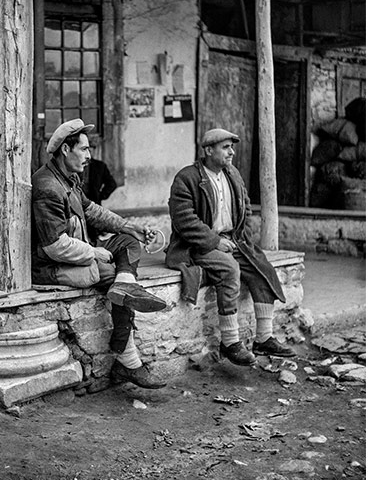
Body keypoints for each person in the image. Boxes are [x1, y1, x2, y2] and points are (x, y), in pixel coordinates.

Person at [32, 119, 168, 389]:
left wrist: (133, 228)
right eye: (83, 149)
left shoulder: (68, 179)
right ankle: (128, 361)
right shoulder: (47, 186)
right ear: (65, 151)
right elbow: (54, 246)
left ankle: (126, 285)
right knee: (110, 272)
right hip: (51, 266)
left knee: (128, 243)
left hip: (77, 254)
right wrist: (94, 251)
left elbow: (93, 211)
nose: (89, 155)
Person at [165, 128, 296, 367]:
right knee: (229, 269)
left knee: (261, 267)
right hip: (197, 245)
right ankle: (230, 342)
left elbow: (245, 205)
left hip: (232, 239)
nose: (231, 152)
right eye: (226, 147)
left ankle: (264, 337)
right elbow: (184, 221)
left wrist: (240, 237)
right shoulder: (187, 178)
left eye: (231, 147)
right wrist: (215, 241)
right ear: (208, 150)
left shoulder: (232, 173)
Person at [81, 158, 118, 243]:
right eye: (85, 148)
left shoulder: (99, 166)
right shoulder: (74, 164)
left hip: (93, 203)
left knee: (93, 234)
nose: (89, 151)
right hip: (77, 202)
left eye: (92, 148)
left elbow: (112, 183)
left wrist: (101, 195)